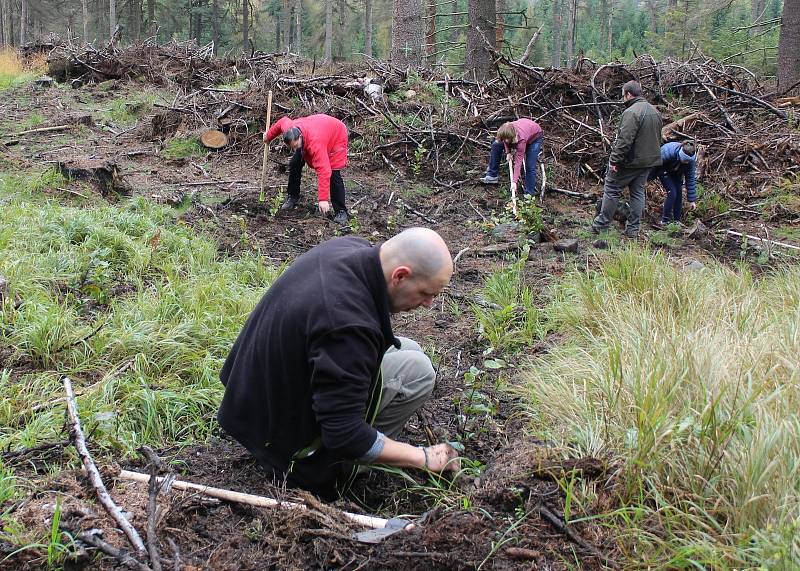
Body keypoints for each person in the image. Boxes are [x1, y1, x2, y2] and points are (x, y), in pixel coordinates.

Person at [217, 228, 460, 500]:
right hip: (277, 441)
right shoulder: (347, 326)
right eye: (426, 293)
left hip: (250, 401)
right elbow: (344, 435)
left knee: (411, 351)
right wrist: (423, 457)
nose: (428, 304)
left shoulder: (349, 248)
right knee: (419, 374)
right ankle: (338, 468)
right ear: (400, 275)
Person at [592, 80, 663, 238]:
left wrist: (614, 161)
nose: (623, 99)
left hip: (630, 161)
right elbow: (659, 138)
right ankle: (633, 229)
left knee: (611, 188)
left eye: (623, 95)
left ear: (629, 94)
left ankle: (601, 224)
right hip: (648, 162)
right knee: (638, 193)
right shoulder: (655, 111)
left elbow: (624, 140)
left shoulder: (631, 112)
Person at [264, 114, 350, 225]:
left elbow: (324, 170)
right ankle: (293, 196)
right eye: (292, 147)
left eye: (295, 146)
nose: (294, 149)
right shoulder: (290, 128)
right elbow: (282, 121)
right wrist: (268, 136)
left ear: (299, 137)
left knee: (334, 173)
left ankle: (341, 211)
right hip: (316, 128)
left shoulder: (316, 144)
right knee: (294, 163)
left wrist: (323, 199)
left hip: (336, 134)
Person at [479, 119, 544, 197]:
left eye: (507, 139)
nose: (505, 140)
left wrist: (514, 182)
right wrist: (508, 152)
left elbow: (518, 162)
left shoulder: (521, 140)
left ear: (512, 136)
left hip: (535, 137)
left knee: (530, 166)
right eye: (504, 138)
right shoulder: (506, 130)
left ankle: (529, 194)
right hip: (522, 130)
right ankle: (492, 176)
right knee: (496, 145)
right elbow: (505, 141)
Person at [649, 141, 697, 227]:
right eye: (685, 160)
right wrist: (647, 178)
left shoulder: (690, 162)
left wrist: (692, 200)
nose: (686, 162)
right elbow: (654, 164)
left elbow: (690, 178)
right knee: (672, 193)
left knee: (679, 194)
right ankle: (664, 221)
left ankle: (677, 221)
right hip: (663, 169)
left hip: (676, 173)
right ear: (680, 154)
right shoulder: (668, 152)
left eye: (688, 161)